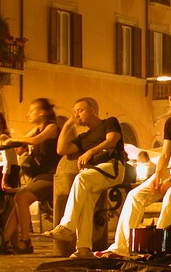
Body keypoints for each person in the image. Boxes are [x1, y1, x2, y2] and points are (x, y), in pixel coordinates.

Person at [106, 81, 171, 255]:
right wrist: (158, 176)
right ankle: (122, 247)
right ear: (170, 98)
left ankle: (159, 247)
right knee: (134, 196)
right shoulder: (170, 123)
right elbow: (166, 155)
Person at [43, 98, 126, 258]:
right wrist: (67, 125)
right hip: (94, 173)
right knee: (86, 202)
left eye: (80, 110)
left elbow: (112, 140)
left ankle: (67, 227)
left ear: (93, 110)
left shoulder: (109, 122)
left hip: (112, 167)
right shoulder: (84, 137)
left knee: (81, 179)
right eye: (74, 112)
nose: (77, 115)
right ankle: (83, 248)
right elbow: (62, 150)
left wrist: (91, 152)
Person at [0, 98, 61, 254]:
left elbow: (34, 141)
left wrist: (12, 139)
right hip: (40, 176)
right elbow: (21, 144)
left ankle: (25, 241)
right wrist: (5, 143)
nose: (28, 115)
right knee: (18, 204)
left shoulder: (52, 127)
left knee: (21, 198)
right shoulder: (37, 128)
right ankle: (3, 241)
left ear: (42, 112)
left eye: (31, 110)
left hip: (51, 175)